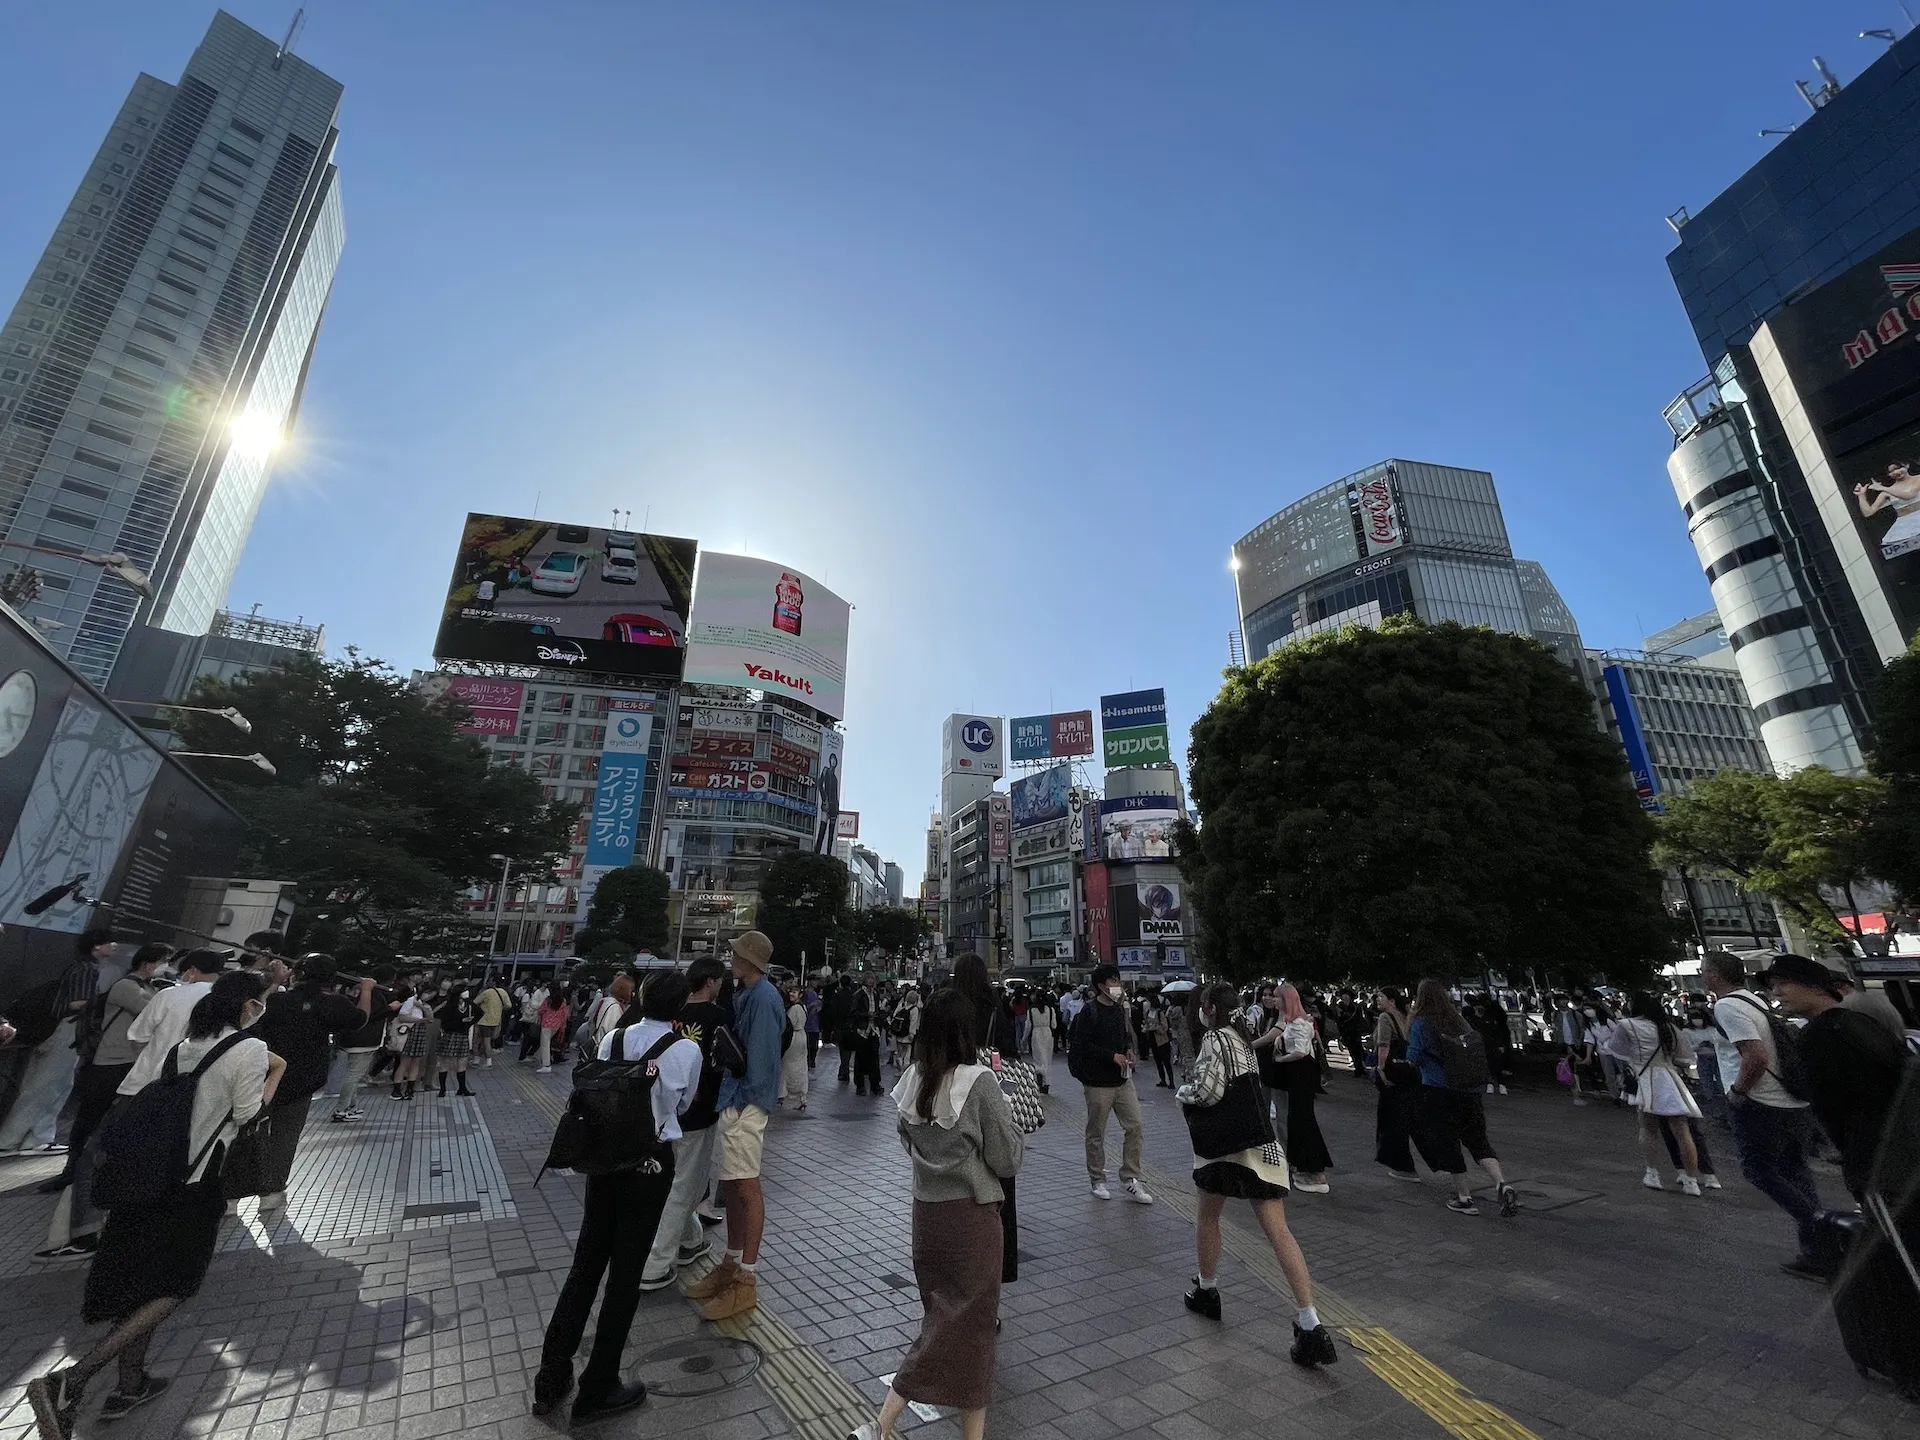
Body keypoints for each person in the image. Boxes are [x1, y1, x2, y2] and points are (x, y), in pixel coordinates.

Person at [27, 971, 280, 1440]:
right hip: (193, 1185)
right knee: (174, 1284)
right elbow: (248, 1115)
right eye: (262, 1002)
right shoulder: (250, 1050)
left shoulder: (185, 1046)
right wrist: (274, 1076)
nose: (264, 1008)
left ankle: (130, 1384)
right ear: (248, 1005)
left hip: (144, 1178)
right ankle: (71, 1379)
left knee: (139, 1283)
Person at [851, 989, 1023, 1440]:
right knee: (969, 1324)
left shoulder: (913, 1078)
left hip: (927, 1218)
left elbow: (906, 1137)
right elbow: (1006, 1161)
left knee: (949, 1320)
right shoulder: (978, 1081)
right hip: (972, 1218)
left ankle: (887, 1428)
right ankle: (879, 1424)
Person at [530, 969, 701, 1424]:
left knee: (585, 1266)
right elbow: (684, 1105)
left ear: (641, 998)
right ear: (681, 1007)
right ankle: (599, 1385)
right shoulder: (687, 1050)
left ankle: (550, 1377)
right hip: (650, 1164)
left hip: (604, 1161)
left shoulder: (615, 1040)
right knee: (625, 1276)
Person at [1174, 982, 1338, 1368]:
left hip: (1222, 1147)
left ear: (1210, 1008)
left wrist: (1184, 1093)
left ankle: (1207, 1290)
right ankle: (1310, 1322)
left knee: (1209, 1216)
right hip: (1259, 1144)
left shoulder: (1214, 1037)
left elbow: (1209, 1092)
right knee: (1278, 1230)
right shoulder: (1243, 1038)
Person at [1702, 951, 1827, 1279]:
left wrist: (1738, 1092)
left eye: (1704, 971)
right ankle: (1817, 1250)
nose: (1703, 976)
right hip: (1792, 1101)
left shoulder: (1727, 1005)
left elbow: (1754, 1055)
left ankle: (1822, 1228)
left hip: (1761, 1102)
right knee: (1796, 1172)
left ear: (1715, 975)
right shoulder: (1754, 1001)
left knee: (1759, 1170)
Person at [681, 931, 783, 1321]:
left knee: (745, 1186)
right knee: (735, 1186)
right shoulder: (750, 994)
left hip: (744, 1101)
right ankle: (731, 1264)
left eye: (738, 954)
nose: (732, 959)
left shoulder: (762, 998)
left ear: (751, 960)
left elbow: (760, 1058)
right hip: (737, 1098)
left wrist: (742, 1103)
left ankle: (746, 1279)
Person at [1761, 954, 1907, 1201]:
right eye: (1773, 986)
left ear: (1816, 987)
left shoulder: (1818, 1036)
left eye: (1783, 983)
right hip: (1900, 1148)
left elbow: (1829, 1109)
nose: (1776, 993)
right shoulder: (1860, 1022)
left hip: (1874, 1160)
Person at [40, 944, 166, 1195]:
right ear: (148, 964)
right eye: (164, 961)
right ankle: (71, 1171)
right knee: (89, 1118)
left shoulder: (151, 989)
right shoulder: (125, 987)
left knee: (114, 1121)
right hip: (109, 1062)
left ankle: (94, 1170)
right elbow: (153, 1014)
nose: (167, 966)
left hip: (131, 1062)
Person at [252, 955, 373, 1211]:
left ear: (296, 973)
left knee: (248, 1131)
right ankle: (271, 1191)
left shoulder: (276, 999)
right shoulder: (332, 1003)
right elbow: (360, 1019)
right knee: (285, 1135)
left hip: (261, 1072)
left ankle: (231, 1194)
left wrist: (274, 982)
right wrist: (367, 990)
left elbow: (252, 1015)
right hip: (303, 1078)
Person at [640, 956, 726, 1290]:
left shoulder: (650, 1021)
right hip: (695, 1117)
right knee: (683, 1186)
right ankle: (656, 1263)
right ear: (710, 981)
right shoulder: (719, 1018)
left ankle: (691, 1240)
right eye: (720, 980)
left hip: (648, 1121)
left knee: (676, 1183)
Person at [1404, 980, 1519, 1218]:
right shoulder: (1458, 1019)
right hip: (1467, 1089)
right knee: (1478, 1140)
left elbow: (1412, 1056)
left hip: (1437, 1090)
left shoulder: (1422, 1023)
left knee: (1449, 1143)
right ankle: (1501, 1183)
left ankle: (1464, 1197)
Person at [0, 929, 116, 1154]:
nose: (114, 946)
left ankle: (34, 1138)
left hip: (61, 1030)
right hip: (66, 1029)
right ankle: (12, 1139)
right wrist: (103, 1001)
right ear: (95, 947)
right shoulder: (86, 969)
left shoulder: (83, 967)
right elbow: (76, 1003)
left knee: (51, 1085)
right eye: (108, 942)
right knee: (47, 1086)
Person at [953, 954, 1021, 1284]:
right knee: (1001, 1176)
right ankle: (1003, 1264)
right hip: (992, 1096)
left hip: (955, 1100)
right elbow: (1011, 1054)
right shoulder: (997, 1009)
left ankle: (963, 1264)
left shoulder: (949, 1007)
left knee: (962, 1183)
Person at [1601, 991, 1706, 1195]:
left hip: (1646, 1078)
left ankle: (1652, 1173)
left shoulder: (1627, 1025)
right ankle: (1691, 1180)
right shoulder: (1669, 1028)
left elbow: (1616, 1050)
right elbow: (1686, 1059)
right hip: (1670, 1078)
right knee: (1682, 1131)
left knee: (1648, 1129)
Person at [1069, 964, 1153, 1204]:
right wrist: (1110, 1056)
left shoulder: (1118, 1010)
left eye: (1118, 981)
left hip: (1122, 1080)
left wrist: (1127, 1050)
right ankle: (1097, 1179)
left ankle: (1130, 1179)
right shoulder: (1089, 1012)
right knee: (1096, 1132)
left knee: (1135, 1126)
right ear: (1100, 986)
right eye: (1113, 981)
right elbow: (1081, 1046)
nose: (1117, 986)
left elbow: (1125, 1036)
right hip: (1097, 1082)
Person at [1269, 984, 1331, 1192]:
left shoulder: (1297, 1024)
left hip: (1300, 1076)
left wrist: (1280, 1059)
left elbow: (1300, 1053)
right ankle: (1308, 1168)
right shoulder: (1297, 1022)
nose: (1274, 1001)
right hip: (1299, 1076)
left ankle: (1313, 1171)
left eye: (1277, 998)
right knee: (1299, 1120)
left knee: (1302, 1121)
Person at [332, 966, 396, 1122]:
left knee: (353, 1075)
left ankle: (350, 1107)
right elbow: (369, 1016)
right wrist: (389, 1008)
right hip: (364, 1040)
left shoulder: (353, 992)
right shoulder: (373, 994)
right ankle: (341, 1110)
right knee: (353, 1075)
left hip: (353, 1039)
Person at [1372, 988, 1420, 1181]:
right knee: (1403, 1117)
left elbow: (1384, 1045)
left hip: (1392, 1073)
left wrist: (1381, 1069)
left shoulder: (1385, 1017)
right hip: (1407, 1073)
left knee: (1390, 1118)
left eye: (1381, 997)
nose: (1377, 999)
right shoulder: (1405, 1016)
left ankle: (1402, 1164)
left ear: (1391, 1001)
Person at [434, 983, 477, 1099]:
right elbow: (445, 1023)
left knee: (462, 1062)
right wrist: (461, 1021)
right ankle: (442, 1089)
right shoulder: (449, 1006)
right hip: (450, 1035)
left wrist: (469, 1022)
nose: (466, 993)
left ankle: (462, 1088)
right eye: (464, 990)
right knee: (445, 1063)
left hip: (463, 1035)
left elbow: (479, 1013)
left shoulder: (469, 1004)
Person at [392, 985, 431, 1098]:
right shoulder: (411, 1000)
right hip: (410, 1031)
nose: (429, 995)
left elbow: (430, 1019)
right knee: (405, 1062)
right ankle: (397, 1090)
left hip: (420, 1031)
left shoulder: (425, 1005)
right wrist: (419, 1020)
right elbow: (402, 1017)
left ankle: (410, 1089)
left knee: (416, 1062)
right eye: (428, 992)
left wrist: (424, 1008)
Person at [778, 983, 809, 1113]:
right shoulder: (803, 1007)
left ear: (800, 995)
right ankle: (802, 1097)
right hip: (802, 1037)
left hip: (793, 1038)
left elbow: (786, 1025)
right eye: (791, 991)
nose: (791, 994)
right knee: (800, 1065)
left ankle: (782, 1094)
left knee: (787, 1065)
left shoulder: (795, 1008)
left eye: (794, 992)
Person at [852, 975, 885, 1096]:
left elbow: (878, 1008)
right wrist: (867, 1015)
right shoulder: (859, 994)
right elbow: (854, 1012)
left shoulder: (875, 994)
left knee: (874, 1059)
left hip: (873, 1029)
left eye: (873, 979)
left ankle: (875, 1084)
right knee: (860, 1058)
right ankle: (860, 1086)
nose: (871, 981)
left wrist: (879, 1017)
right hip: (863, 1030)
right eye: (869, 979)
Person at [473, 975, 509, 1067]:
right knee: (488, 1040)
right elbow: (509, 1005)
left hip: (484, 1020)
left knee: (483, 1041)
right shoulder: (503, 992)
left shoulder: (486, 992)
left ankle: (487, 1061)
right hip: (496, 1020)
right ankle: (479, 1059)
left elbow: (475, 1002)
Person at [534, 985, 571, 1073]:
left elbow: (541, 1010)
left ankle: (546, 1065)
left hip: (546, 1024)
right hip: (556, 1025)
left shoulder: (548, 1000)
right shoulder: (563, 1001)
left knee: (545, 1044)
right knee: (547, 1042)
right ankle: (539, 1057)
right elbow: (565, 1014)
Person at [1143, 992, 1176, 1088]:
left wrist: (1155, 1028)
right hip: (1153, 1039)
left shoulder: (1159, 1013)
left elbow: (1165, 1027)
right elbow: (1146, 1023)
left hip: (1162, 1040)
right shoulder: (1148, 1012)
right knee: (1158, 1061)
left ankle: (1171, 1081)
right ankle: (1163, 1079)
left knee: (1166, 1061)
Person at [1028, 986, 1054, 1092]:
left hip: (1036, 1033)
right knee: (1047, 1059)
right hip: (1047, 1033)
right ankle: (1046, 1083)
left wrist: (1023, 1039)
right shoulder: (1050, 1010)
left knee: (1038, 1059)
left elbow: (1028, 1026)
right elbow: (1054, 1025)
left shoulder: (1031, 1010)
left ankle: (1040, 1081)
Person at [802, 982, 823, 1070]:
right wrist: (811, 1005)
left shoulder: (815, 994)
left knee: (814, 1046)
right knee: (808, 1046)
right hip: (807, 1025)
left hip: (815, 1025)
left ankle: (812, 1061)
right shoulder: (805, 994)